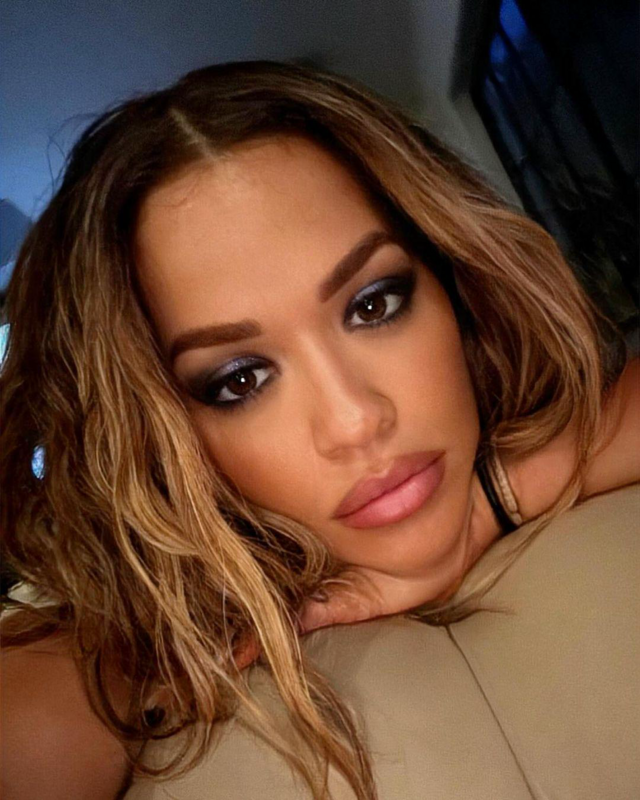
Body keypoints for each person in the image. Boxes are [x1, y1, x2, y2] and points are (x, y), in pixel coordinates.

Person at [0, 60, 638, 800]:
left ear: (454, 282)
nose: (355, 419)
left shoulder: (537, 415)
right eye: (240, 379)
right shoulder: (93, 639)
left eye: (373, 305)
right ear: (160, 435)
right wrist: (162, 648)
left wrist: (502, 491)